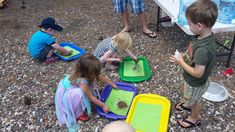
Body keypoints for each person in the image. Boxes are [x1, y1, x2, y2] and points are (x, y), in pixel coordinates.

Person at [169, 0, 218, 128]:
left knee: (195, 100)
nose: (188, 26)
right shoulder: (205, 35)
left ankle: (194, 118)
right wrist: (186, 54)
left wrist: (180, 62)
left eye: (190, 24)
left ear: (200, 25)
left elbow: (197, 73)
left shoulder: (203, 50)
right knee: (189, 96)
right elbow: (194, 47)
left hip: (195, 82)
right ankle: (187, 103)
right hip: (194, 81)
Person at [55, 53, 118, 132]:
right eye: (94, 73)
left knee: (83, 91)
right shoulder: (82, 81)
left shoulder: (85, 72)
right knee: (81, 93)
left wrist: (111, 84)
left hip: (69, 86)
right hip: (69, 94)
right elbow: (91, 97)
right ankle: (78, 112)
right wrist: (103, 105)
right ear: (88, 73)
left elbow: (100, 76)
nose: (96, 74)